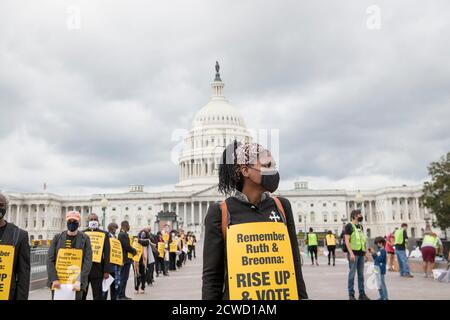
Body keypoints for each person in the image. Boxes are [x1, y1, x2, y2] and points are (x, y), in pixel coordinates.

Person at [202, 141, 308, 300]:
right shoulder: (220, 212)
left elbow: (294, 264)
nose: (273, 171)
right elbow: (212, 276)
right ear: (245, 170)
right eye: (267, 165)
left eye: (273, 165)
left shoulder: (282, 206)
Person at [47, 211, 92, 300]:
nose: (72, 223)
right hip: (58, 281)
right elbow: (50, 259)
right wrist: (54, 279)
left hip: (76, 282)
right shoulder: (57, 237)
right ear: (66, 222)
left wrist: (80, 280)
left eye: (74, 221)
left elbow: (88, 261)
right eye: (70, 221)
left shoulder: (85, 238)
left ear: (79, 223)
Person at [0, 193, 30, 300]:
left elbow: (23, 275)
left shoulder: (20, 235)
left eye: (1, 205)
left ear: (6, 208)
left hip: (7, 294)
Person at [82, 213, 111, 300]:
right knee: (82, 295)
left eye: (95, 219)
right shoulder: (82, 234)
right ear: (88, 221)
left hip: (98, 270)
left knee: (98, 296)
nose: (93, 221)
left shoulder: (104, 234)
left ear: (98, 221)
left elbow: (107, 253)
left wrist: (106, 270)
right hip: (84, 271)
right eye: (91, 219)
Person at [344, 209, 370, 300]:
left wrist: (366, 253)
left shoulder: (361, 227)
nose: (360, 216)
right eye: (359, 214)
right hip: (353, 254)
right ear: (354, 216)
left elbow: (363, 240)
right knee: (352, 274)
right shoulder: (349, 226)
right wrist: (351, 253)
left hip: (361, 254)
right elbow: (347, 241)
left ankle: (362, 294)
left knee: (361, 275)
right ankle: (351, 294)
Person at [117, 220, 137, 300]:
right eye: (128, 225)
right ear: (125, 226)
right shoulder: (123, 234)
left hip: (126, 259)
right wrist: (134, 251)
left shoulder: (123, 234)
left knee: (124, 278)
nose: (129, 227)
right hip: (125, 259)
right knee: (123, 278)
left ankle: (122, 294)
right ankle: (121, 295)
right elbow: (126, 246)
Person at [106, 222, 121, 300]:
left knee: (114, 287)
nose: (115, 230)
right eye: (115, 228)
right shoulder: (107, 236)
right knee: (105, 287)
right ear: (111, 228)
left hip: (115, 264)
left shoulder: (116, 237)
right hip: (109, 265)